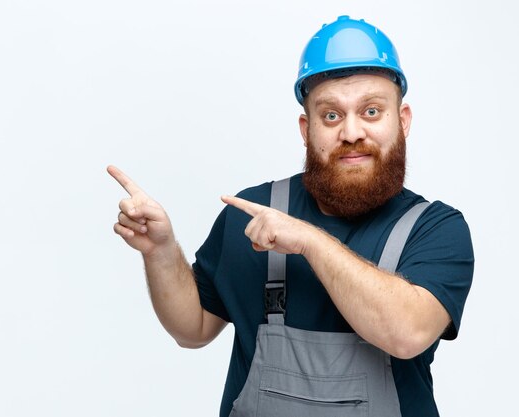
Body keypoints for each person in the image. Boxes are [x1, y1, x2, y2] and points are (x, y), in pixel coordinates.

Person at [109, 15, 474, 417]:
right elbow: (192, 328)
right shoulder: (252, 215)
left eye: (371, 111)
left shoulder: (436, 229)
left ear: (402, 121)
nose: (351, 132)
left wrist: (309, 240)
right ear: (306, 128)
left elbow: (407, 333)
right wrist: (160, 251)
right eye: (331, 115)